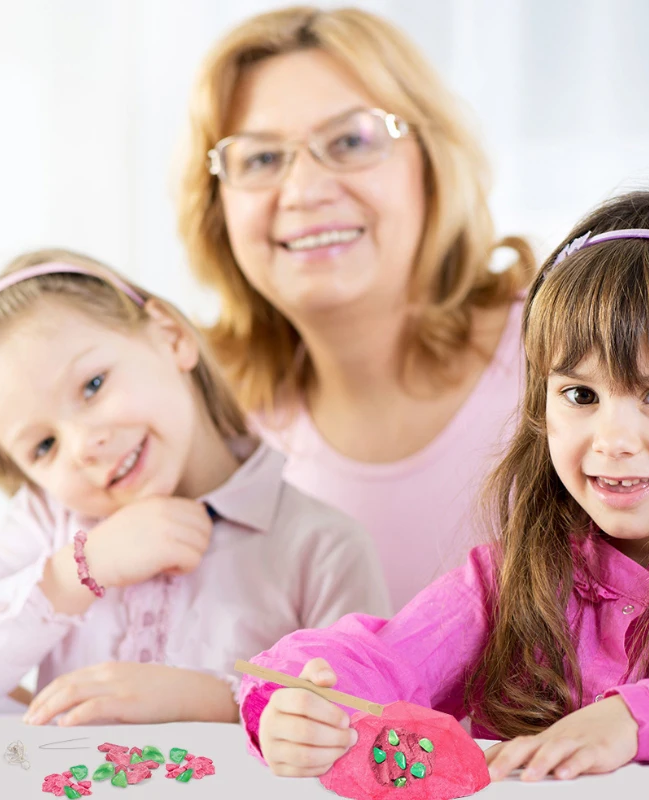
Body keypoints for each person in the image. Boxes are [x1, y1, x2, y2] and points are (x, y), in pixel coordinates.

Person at [237, 190, 649, 780]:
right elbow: (379, 661)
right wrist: (308, 707)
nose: (612, 439)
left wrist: (635, 720)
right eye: (581, 395)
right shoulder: (506, 582)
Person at [178, 6, 534, 611]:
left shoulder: (567, 353)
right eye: (262, 158)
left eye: (351, 140)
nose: (306, 191)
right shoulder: (214, 425)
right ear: (218, 209)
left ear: (430, 163)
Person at [0, 249, 391, 723]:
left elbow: (368, 726)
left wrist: (217, 702)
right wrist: (79, 571)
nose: (85, 445)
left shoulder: (322, 547)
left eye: (93, 385)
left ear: (170, 337)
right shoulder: (47, 524)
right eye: (44, 445)